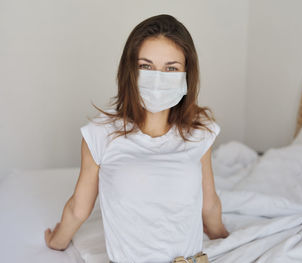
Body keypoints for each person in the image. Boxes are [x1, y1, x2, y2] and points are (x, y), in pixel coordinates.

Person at [44, 14, 229, 263]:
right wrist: (57, 241)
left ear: (186, 74)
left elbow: (209, 204)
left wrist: (222, 236)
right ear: (129, 70)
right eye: (146, 66)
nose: (158, 78)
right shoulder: (100, 133)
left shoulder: (198, 132)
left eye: (171, 68)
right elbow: (79, 207)